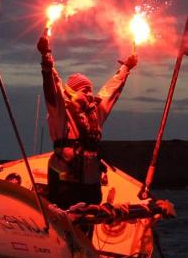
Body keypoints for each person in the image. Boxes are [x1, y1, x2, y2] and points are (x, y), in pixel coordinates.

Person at [37, 33, 137, 210]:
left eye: (91, 90)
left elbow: (110, 91)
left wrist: (126, 68)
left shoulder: (95, 114)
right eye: (85, 90)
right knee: (65, 224)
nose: (90, 95)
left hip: (91, 185)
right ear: (73, 92)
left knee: (88, 224)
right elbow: (51, 90)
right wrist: (46, 59)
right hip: (65, 184)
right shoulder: (61, 112)